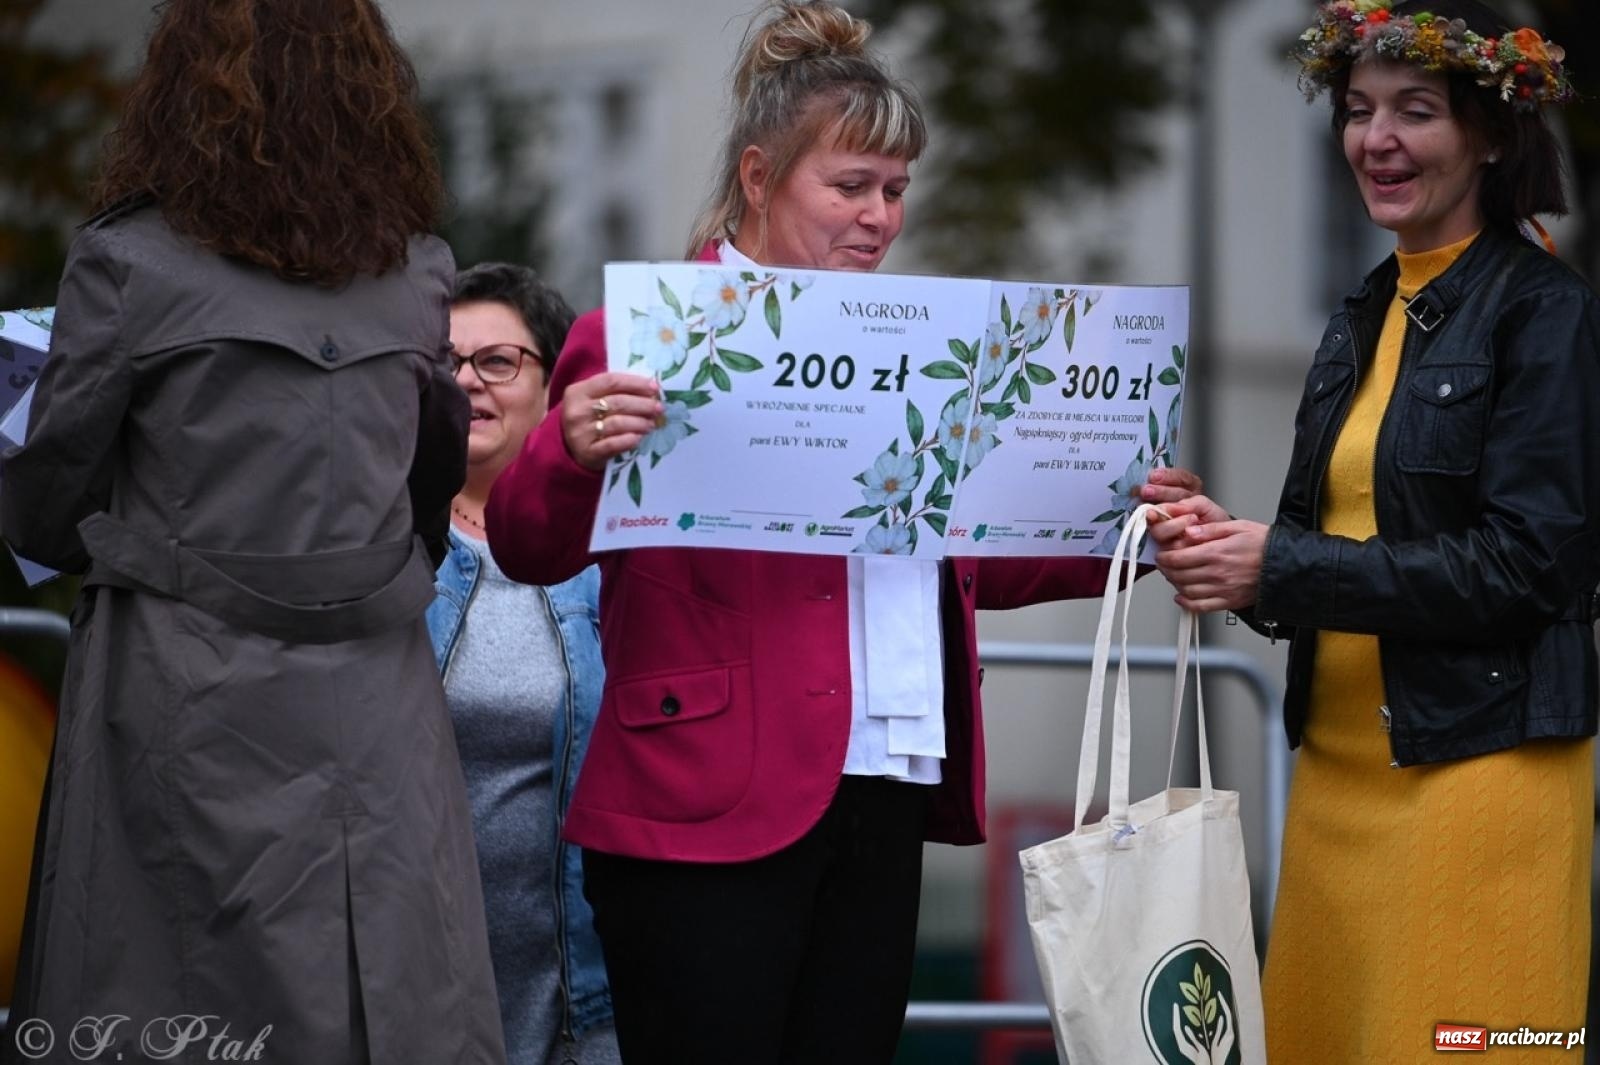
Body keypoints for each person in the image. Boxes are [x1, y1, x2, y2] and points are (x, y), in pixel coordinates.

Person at [483, 3, 1201, 1062]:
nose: (879, 217)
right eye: (850, 186)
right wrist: (569, 447)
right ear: (761, 176)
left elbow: (967, 551)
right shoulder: (638, 337)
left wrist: (1128, 528)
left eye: (896, 190)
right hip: (702, 796)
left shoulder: (915, 344)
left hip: (884, 787)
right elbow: (528, 546)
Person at [0, 2, 506, 1062]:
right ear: (370, 92)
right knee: (390, 1009)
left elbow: (43, 505)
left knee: (166, 1008)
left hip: (180, 696)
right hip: (373, 706)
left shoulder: (129, 262)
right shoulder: (417, 271)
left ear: (183, 88)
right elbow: (422, 498)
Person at [1148, 2, 1597, 1060]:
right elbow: (1338, 542)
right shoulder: (1364, 311)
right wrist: (1234, 556)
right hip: (1338, 777)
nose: (1376, 139)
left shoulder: (1546, 312)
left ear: (1488, 132)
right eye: (1356, 111)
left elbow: (1533, 567)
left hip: (1477, 780)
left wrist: (1286, 564)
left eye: (1415, 111)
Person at [425, 263, 619, 1065]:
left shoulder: (614, 551)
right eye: (445, 363)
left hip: (582, 984)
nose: (467, 382)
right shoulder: (379, 548)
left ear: (555, 385)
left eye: (497, 362)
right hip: (418, 977)